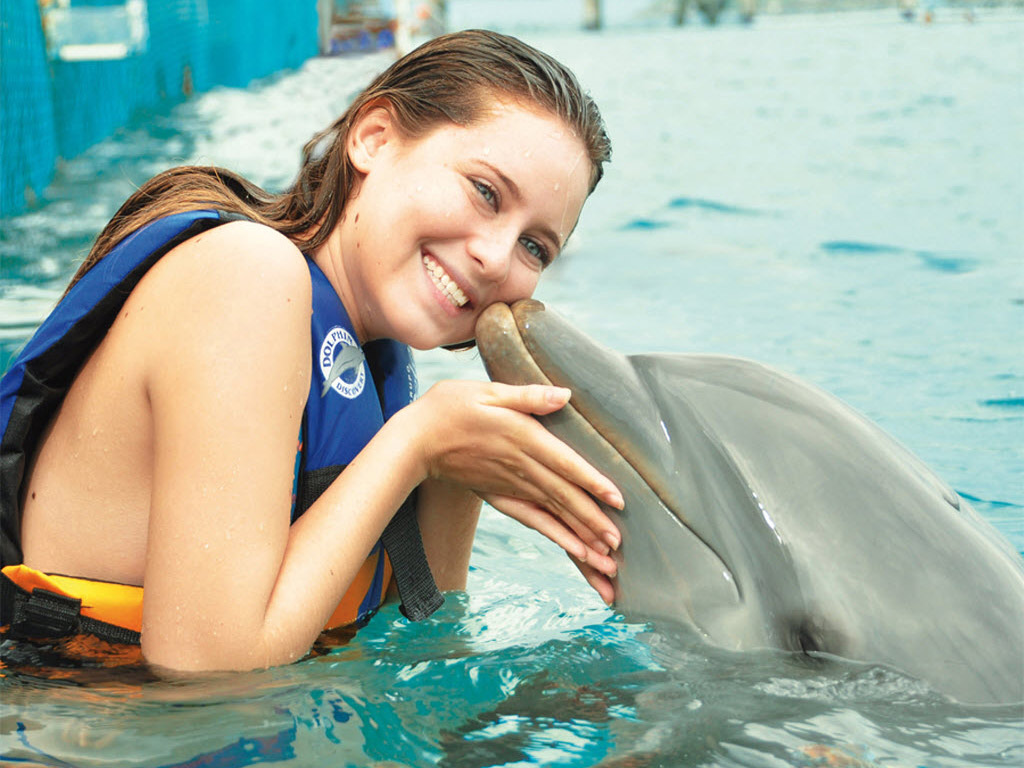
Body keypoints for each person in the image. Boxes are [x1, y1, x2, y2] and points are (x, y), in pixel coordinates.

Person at [0, 29, 622, 672]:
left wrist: (455, 475)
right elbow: (207, 673)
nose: (495, 257)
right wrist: (418, 445)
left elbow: (430, 654)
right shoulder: (245, 275)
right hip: (56, 711)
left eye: (534, 247)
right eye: (485, 191)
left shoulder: (378, 364)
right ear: (374, 138)